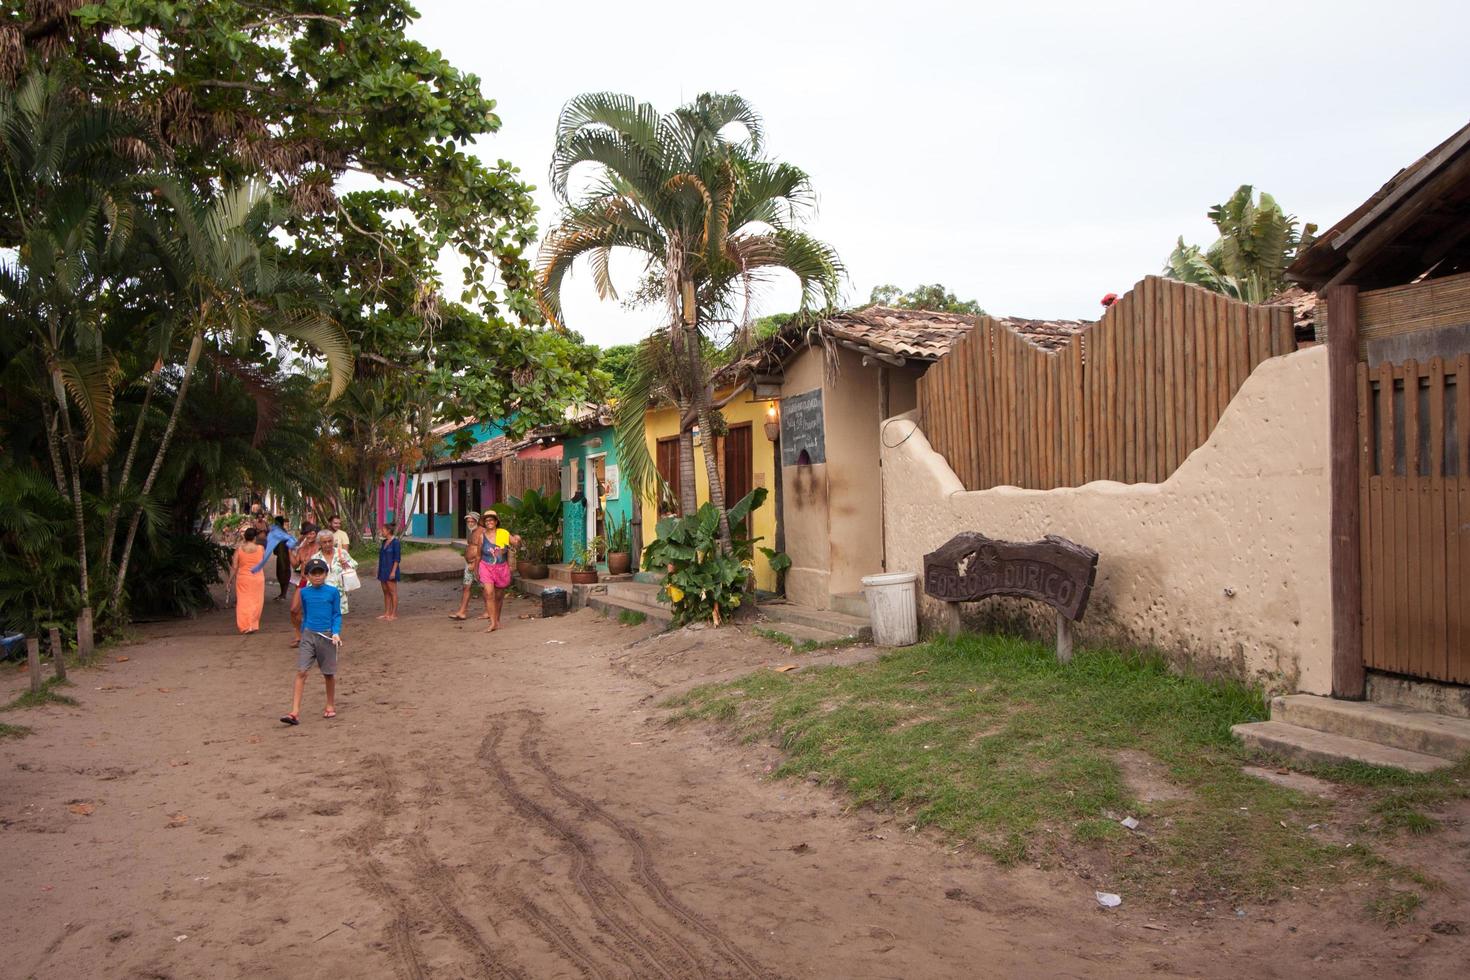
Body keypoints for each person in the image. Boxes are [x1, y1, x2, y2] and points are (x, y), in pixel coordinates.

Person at [282, 557, 340, 724]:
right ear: (307, 576)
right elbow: (304, 614)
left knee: (328, 673)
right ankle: (294, 712)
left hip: (327, 636)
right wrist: (303, 633)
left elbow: (336, 614)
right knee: (302, 671)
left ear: (326, 574)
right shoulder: (305, 593)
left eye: (320, 573)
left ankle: (330, 705)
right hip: (309, 635)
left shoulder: (332, 592)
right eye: (313, 573)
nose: (317, 576)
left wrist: (335, 632)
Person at [469, 510, 520, 632]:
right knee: (489, 593)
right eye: (486, 521)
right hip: (486, 567)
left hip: (502, 568)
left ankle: (497, 620)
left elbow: (515, 544)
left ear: (496, 522)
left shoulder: (503, 533)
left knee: (499, 597)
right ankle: (492, 623)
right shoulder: (482, 537)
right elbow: (478, 556)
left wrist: (518, 539)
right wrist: (476, 570)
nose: (489, 522)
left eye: (491, 520)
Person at [227, 526, 266, 634]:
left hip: (243, 578)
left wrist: (229, 580)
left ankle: (244, 626)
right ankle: (253, 625)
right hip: (257, 578)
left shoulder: (239, 550)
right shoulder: (261, 548)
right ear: (255, 538)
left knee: (243, 602)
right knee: (256, 601)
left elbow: (234, 567)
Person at [287, 530, 319, 648]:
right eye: (308, 534)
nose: (310, 536)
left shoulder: (320, 547)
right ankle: (298, 635)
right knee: (294, 609)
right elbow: (295, 565)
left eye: (312, 533)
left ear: (316, 534)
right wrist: (289, 551)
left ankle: (316, 637)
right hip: (303, 581)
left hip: (317, 582)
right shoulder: (302, 549)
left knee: (314, 611)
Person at [315, 532, 359, 616]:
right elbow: (311, 578)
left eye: (330, 541)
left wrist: (346, 564)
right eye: (324, 542)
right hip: (322, 594)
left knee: (337, 620)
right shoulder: (316, 558)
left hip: (340, 593)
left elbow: (355, 565)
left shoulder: (341, 553)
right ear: (320, 543)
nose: (328, 544)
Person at [451, 512, 481, 620]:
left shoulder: (481, 532)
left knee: (486, 589)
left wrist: (475, 564)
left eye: (472, 521)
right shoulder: (471, 532)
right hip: (469, 564)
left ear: (477, 521)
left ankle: (489, 611)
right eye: (468, 521)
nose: (470, 523)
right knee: (466, 587)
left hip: (477, 564)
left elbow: (482, 549)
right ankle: (462, 611)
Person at [376, 522, 401, 621]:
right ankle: (387, 613)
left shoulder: (395, 542)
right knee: (386, 592)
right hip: (383, 570)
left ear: (388, 531)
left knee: (392, 592)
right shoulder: (384, 542)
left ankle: (393, 614)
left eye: (383, 530)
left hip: (391, 570)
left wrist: (393, 572)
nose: (381, 532)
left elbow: (397, 559)